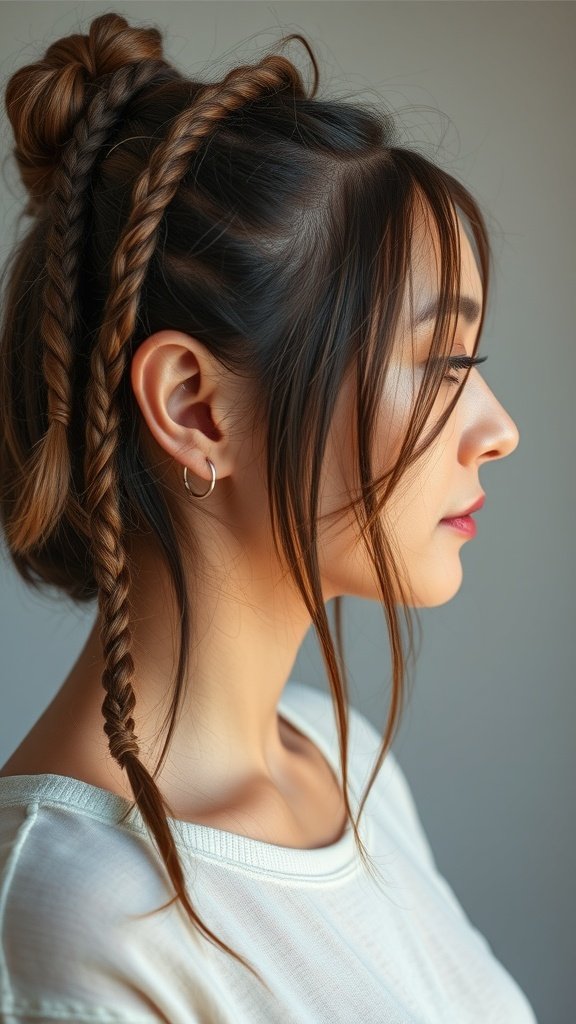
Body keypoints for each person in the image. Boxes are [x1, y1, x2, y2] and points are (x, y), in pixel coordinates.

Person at [0, 11, 538, 1024]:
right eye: (440, 365)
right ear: (198, 408)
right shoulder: (75, 922)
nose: (498, 428)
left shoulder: (338, 756)